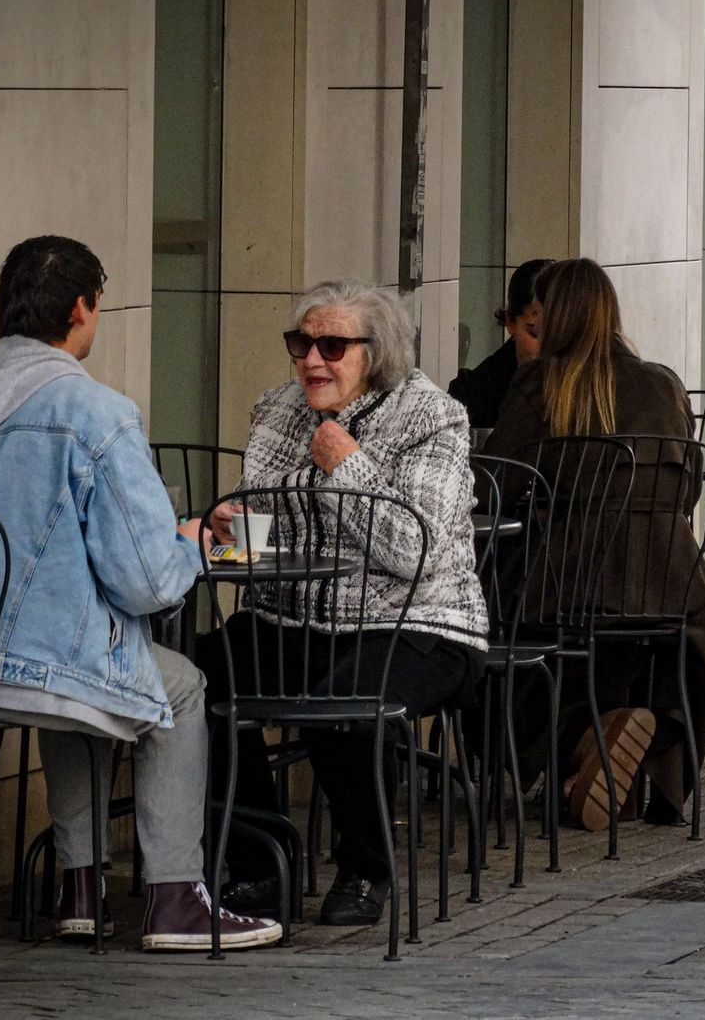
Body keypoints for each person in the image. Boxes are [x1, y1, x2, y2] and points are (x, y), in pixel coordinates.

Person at [0, 235, 280, 952]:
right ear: (81, 309)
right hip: (38, 674)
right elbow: (148, 582)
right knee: (176, 684)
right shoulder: (96, 412)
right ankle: (176, 899)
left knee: (84, 673)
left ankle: (80, 888)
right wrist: (192, 539)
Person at [193, 280, 489, 926]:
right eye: (301, 343)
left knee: (346, 705)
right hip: (293, 616)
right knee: (194, 684)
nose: (310, 360)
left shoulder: (432, 415)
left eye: (331, 345)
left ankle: (366, 866)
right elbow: (267, 522)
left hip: (418, 620)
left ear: (375, 352)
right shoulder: (278, 409)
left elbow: (416, 550)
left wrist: (346, 465)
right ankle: (260, 862)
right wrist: (227, 520)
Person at [480, 257, 705, 831]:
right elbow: (688, 488)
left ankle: (578, 747)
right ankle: (650, 756)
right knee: (660, 638)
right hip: (671, 582)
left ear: (555, 316)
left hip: (563, 581)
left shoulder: (543, 384)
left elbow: (495, 485)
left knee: (484, 622)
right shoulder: (662, 382)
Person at [447, 258, 553, 428]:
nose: (549, 345)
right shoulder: (477, 393)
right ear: (510, 323)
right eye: (535, 333)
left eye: (558, 332)